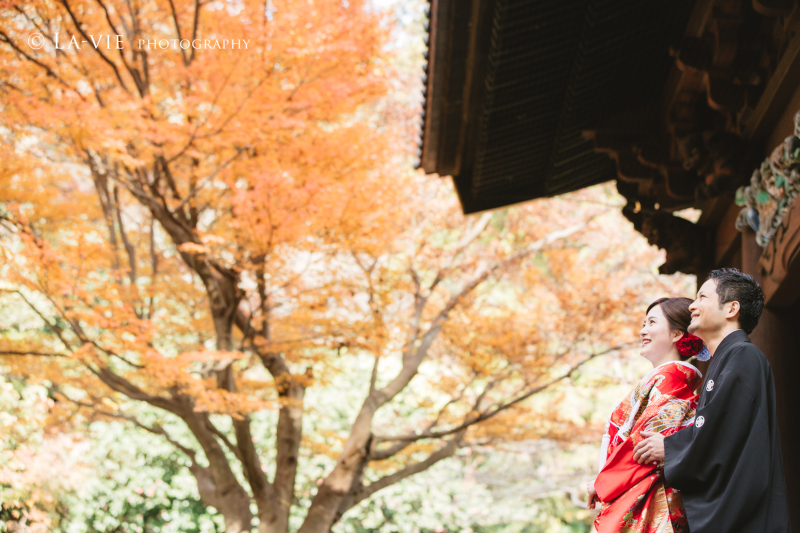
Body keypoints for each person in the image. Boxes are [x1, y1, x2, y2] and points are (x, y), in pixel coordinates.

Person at [633, 268, 792, 533]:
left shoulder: (744, 355)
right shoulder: (727, 360)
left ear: (731, 309)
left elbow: (724, 432)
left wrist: (672, 448)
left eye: (702, 297)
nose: (692, 306)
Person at [588, 297, 704, 533]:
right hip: (639, 486)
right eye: (643, 324)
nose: (643, 331)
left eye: (652, 322)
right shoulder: (667, 379)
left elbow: (644, 446)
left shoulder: (671, 380)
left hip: (651, 495)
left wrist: (603, 484)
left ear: (677, 334)